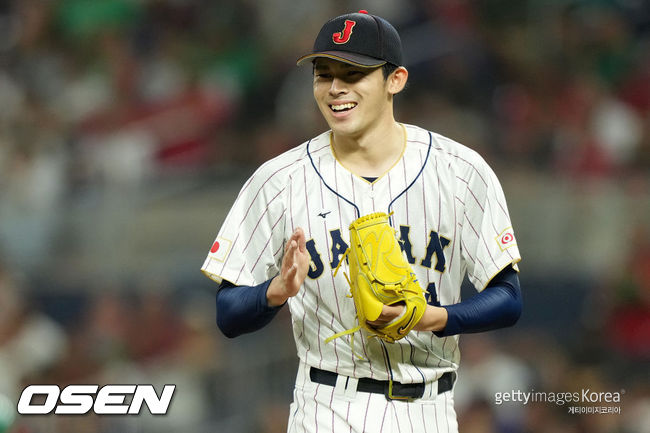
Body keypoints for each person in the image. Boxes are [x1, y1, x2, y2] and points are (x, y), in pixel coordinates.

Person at [201, 10, 522, 433]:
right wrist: (274, 292)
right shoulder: (278, 180)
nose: (335, 89)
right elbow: (228, 313)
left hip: (433, 409)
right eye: (324, 74)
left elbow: (508, 298)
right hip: (328, 406)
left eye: (353, 74)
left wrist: (434, 317)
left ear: (396, 80)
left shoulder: (461, 171)